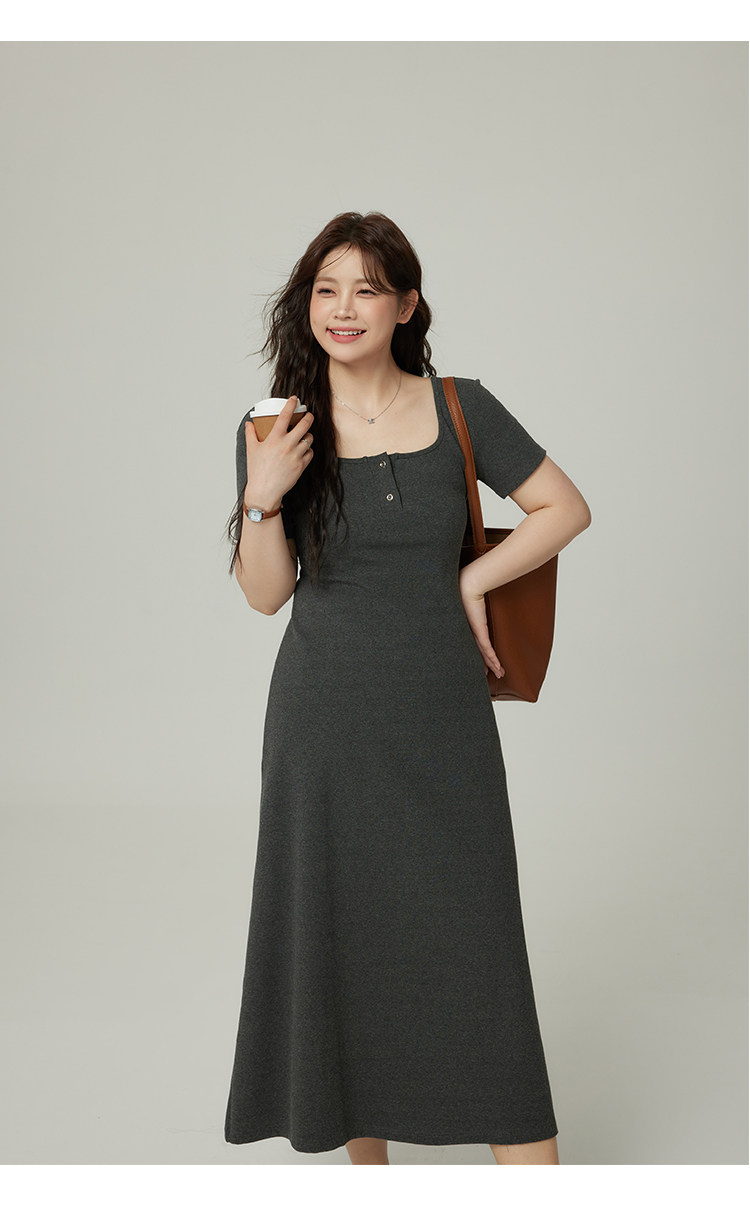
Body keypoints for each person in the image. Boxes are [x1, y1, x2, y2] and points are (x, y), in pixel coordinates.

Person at [223, 211, 591, 1165]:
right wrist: (262, 494)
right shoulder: (274, 428)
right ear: (307, 305)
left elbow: (565, 506)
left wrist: (472, 578)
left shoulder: (462, 406)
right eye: (326, 289)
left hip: (443, 725)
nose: (343, 308)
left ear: (406, 305)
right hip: (323, 731)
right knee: (343, 948)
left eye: (367, 289)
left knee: (479, 949)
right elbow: (265, 595)